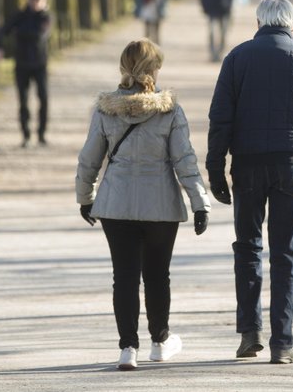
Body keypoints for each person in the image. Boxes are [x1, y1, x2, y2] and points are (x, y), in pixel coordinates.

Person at [206, 0, 293, 365]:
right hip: (292, 164)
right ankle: (283, 343)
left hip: (247, 164)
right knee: (285, 254)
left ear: (259, 22)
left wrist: (216, 168)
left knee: (247, 249)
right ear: (291, 24)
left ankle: (250, 332)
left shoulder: (237, 59)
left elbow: (220, 119)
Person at [75, 39, 212, 371]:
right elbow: (184, 160)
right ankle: (160, 341)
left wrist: (86, 197)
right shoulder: (169, 110)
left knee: (123, 276)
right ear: (153, 70)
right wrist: (199, 203)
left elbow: (89, 159)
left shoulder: (105, 108)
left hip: (116, 204)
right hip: (160, 205)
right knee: (157, 275)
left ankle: (127, 349)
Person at [0, 0, 51, 147]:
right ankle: (25, 135)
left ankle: (41, 134)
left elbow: (41, 35)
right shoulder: (19, 16)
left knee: (44, 99)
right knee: (23, 101)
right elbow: (1, 31)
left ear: (44, 1)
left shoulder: (45, 17)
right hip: (22, 65)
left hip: (40, 65)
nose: (35, 1)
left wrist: (20, 33)